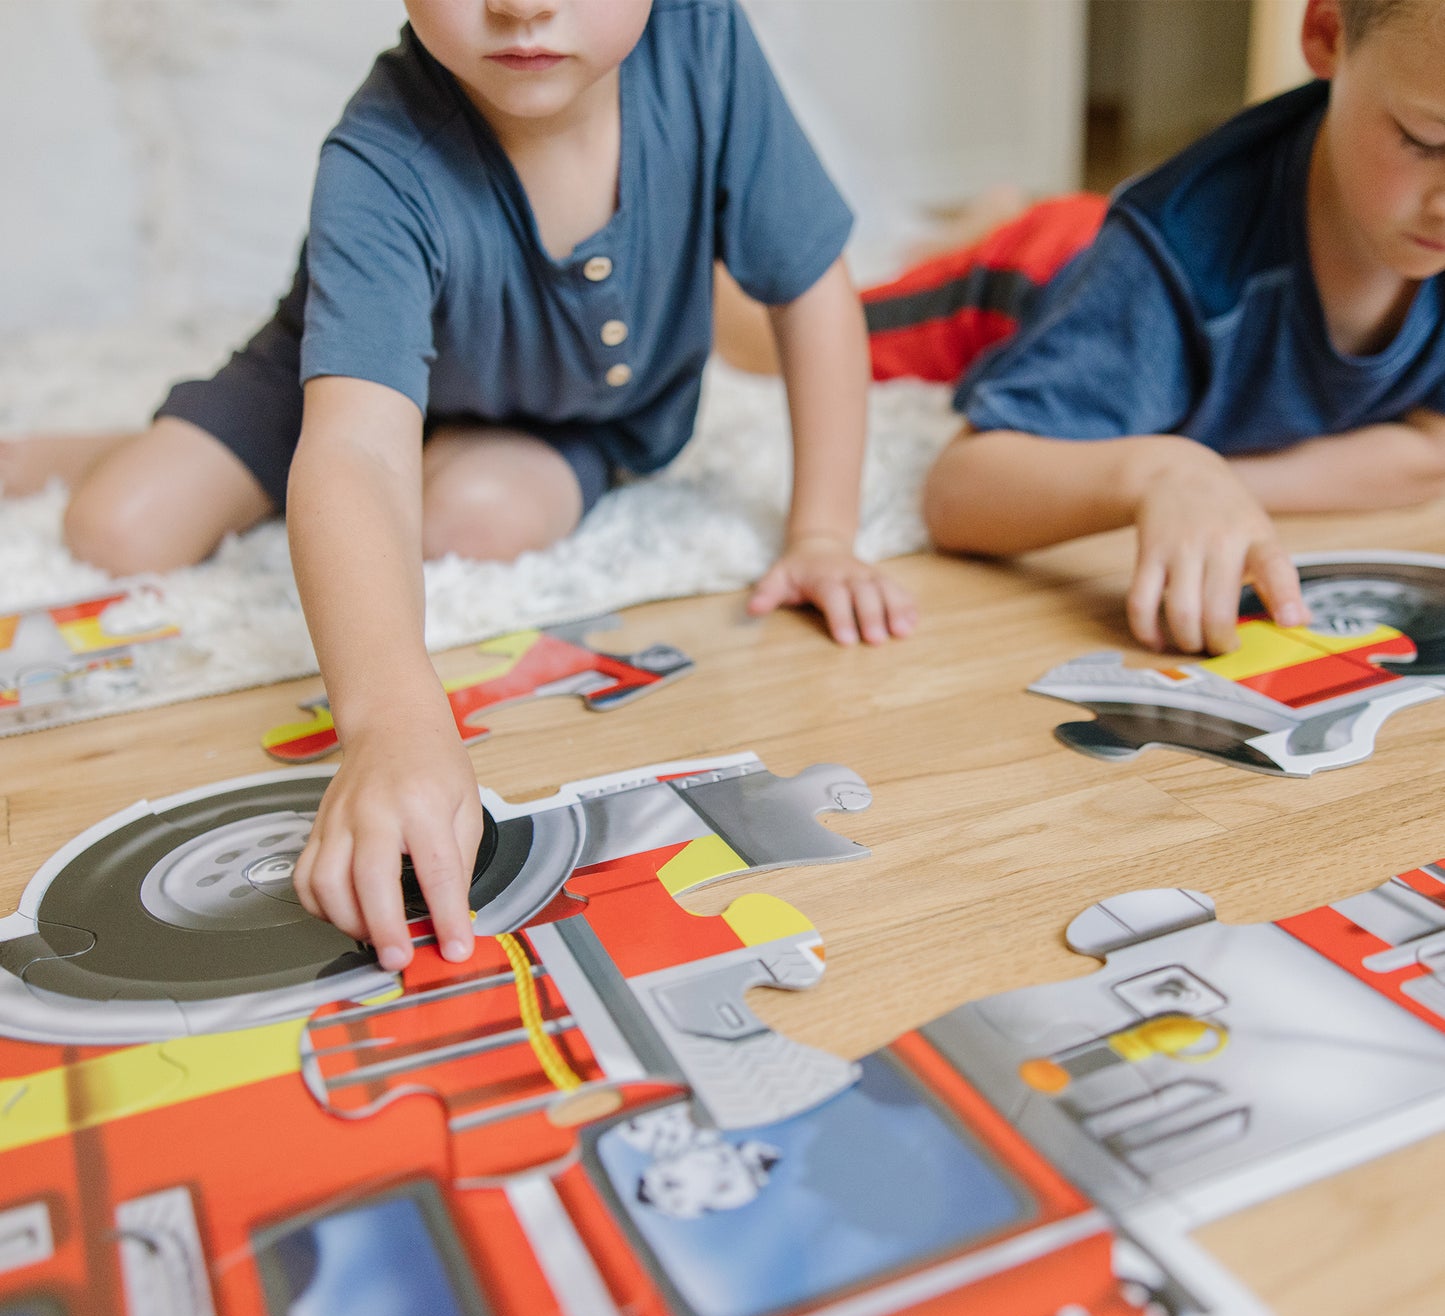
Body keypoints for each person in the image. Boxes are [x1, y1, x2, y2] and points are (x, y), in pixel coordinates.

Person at [1, 0, 916, 972]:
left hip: (575, 412)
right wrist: (391, 720)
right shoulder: (378, 153)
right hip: (341, 373)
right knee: (118, 526)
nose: (521, 4)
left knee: (467, 515)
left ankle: (380, 438)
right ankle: (125, 439)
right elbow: (353, 451)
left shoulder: (703, 44)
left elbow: (810, 286)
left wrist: (821, 530)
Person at [878, 0, 1445, 660]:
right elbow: (957, 490)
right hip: (1031, 275)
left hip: (1115, 243)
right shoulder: (1167, 256)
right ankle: (980, 229)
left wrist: (1216, 485)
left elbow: (1431, 452)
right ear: (1324, 34)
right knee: (785, 325)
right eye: (1426, 140)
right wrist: (1157, 471)